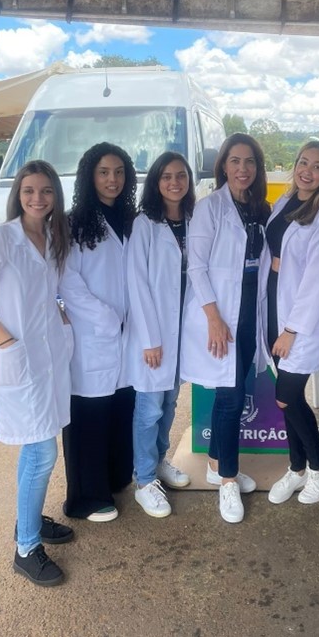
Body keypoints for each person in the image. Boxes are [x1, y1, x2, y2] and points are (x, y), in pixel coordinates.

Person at [0, 161, 74, 586]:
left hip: (48, 358)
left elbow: (50, 292)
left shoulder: (52, 237)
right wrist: (6, 342)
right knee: (41, 451)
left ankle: (29, 520)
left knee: (40, 444)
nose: (37, 198)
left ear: (55, 196)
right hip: (21, 358)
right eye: (29, 190)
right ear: (18, 194)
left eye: (46, 191)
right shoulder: (2, 238)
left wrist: (61, 319)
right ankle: (26, 548)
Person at [181, 134, 271, 523]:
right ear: (223, 166)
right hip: (221, 315)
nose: (242, 169)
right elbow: (197, 266)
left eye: (249, 162)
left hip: (250, 312)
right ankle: (228, 481)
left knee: (231, 392)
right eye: (235, 161)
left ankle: (217, 464)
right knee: (232, 398)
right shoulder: (210, 208)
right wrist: (214, 318)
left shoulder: (261, 208)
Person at [259, 140, 319, 507]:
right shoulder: (285, 201)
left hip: (300, 319)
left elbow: (318, 278)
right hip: (273, 305)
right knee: (286, 400)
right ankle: (296, 467)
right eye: (303, 162)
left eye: (317, 166)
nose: (307, 171)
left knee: (287, 396)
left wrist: (292, 329)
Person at [59, 142, 137, 522]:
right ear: (90, 176)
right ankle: (86, 498)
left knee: (121, 407)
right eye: (104, 172)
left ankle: (116, 478)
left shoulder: (131, 219)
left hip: (128, 335)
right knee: (89, 415)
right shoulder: (73, 223)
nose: (112, 180)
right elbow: (67, 281)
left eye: (119, 172)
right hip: (93, 334)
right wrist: (106, 318)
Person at [125, 152, 194, 518]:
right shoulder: (145, 225)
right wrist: (150, 338)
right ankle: (144, 479)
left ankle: (159, 460)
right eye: (166, 176)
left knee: (170, 403)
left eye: (180, 175)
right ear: (155, 182)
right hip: (154, 335)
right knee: (149, 407)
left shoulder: (194, 220)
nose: (174, 182)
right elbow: (137, 284)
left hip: (183, 332)